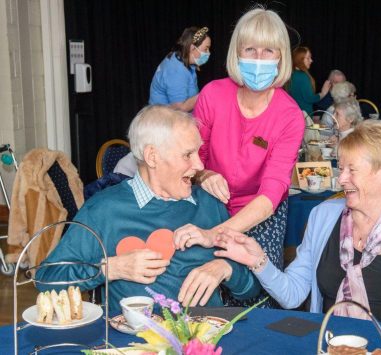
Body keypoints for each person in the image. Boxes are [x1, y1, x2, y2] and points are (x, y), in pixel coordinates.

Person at [213, 120, 381, 337]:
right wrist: (258, 261)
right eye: (341, 169)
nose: (341, 179)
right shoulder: (323, 216)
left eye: (352, 170)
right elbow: (293, 296)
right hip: (332, 344)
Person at [36, 106, 260, 312]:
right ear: (152, 156)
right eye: (187, 155)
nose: (200, 166)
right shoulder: (104, 210)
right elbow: (46, 280)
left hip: (206, 341)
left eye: (198, 153)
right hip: (134, 343)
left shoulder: (209, 204)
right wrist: (111, 269)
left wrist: (225, 268)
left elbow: (250, 290)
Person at [173, 7, 305, 308]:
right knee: (194, 286)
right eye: (250, 50)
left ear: (281, 57)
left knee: (255, 295)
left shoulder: (289, 116)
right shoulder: (212, 95)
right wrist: (204, 175)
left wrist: (214, 235)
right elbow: (191, 157)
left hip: (259, 214)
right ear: (237, 52)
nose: (258, 60)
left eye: (268, 51)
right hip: (208, 203)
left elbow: (271, 195)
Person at [149, 26, 211, 111]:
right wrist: (206, 93)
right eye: (206, 49)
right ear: (192, 48)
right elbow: (179, 108)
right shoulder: (176, 70)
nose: (208, 53)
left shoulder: (183, 59)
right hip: (164, 120)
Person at [287, 46, 331, 115]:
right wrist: (323, 93)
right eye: (308, 58)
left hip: (294, 114)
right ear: (300, 59)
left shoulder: (292, 75)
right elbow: (310, 98)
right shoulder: (302, 76)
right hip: (304, 116)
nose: (311, 60)